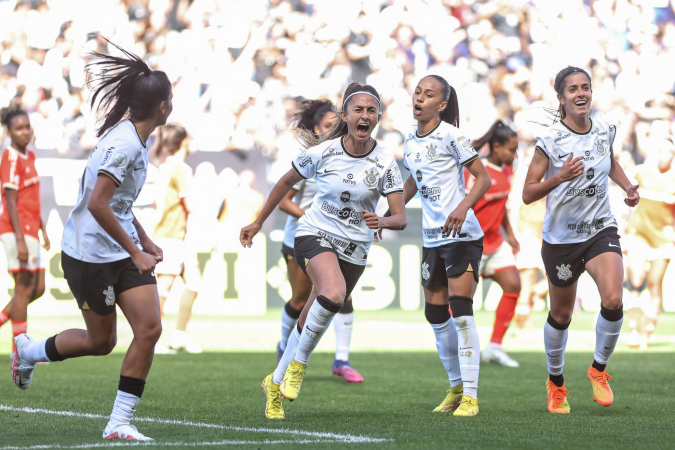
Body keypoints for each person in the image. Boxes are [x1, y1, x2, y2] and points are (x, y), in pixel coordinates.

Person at [11, 39, 173, 441]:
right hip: (89, 255)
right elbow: (98, 204)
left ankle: (118, 424)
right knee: (102, 342)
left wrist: (145, 241)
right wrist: (137, 251)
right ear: (163, 106)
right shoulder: (124, 144)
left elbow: (117, 204)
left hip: (120, 250)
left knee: (149, 328)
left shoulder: (135, 137)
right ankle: (28, 351)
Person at [241, 82, 406, 419]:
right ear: (344, 115)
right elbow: (284, 183)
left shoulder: (386, 159)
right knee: (332, 294)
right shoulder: (324, 152)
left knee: (318, 309)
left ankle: (273, 383)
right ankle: (299, 366)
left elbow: (400, 216)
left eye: (370, 110)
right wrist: (258, 222)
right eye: (357, 109)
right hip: (314, 232)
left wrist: (383, 222)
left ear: (378, 117)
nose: (364, 115)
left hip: (356, 246)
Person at [522, 66, 640, 414]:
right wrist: (558, 177)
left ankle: (598, 370)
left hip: (600, 228)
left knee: (614, 298)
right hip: (561, 240)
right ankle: (556, 384)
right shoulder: (550, 140)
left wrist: (627, 186)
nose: (580, 93)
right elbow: (528, 193)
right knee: (560, 314)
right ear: (561, 98)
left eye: (585, 87)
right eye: (572, 89)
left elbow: (610, 162)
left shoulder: (605, 128)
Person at [384, 75, 491, 417]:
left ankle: (472, 397)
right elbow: (415, 179)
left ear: (442, 105)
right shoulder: (411, 140)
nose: (419, 98)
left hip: (462, 235)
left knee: (461, 313)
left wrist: (462, 207)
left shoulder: (452, 135)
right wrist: (390, 212)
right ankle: (456, 388)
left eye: (428, 94)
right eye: (417, 92)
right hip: (431, 236)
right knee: (434, 314)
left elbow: (483, 177)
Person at [278, 99, 363, 383]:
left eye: (335, 125)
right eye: (328, 126)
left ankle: (342, 359)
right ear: (315, 129)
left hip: (338, 238)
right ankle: (284, 349)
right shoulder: (310, 157)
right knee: (301, 298)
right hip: (301, 237)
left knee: (342, 295)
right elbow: (284, 201)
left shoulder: (349, 156)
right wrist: (313, 216)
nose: (334, 130)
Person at [466, 120, 521, 367]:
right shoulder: (476, 172)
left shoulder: (508, 169)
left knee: (513, 285)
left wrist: (509, 233)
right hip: (471, 244)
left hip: (495, 241)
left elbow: (502, 206)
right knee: (461, 299)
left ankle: (494, 347)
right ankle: (459, 348)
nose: (515, 154)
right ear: (496, 147)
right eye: (511, 149)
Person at [0, 106, 50, 359]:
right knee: (22, 289)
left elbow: (28, 198)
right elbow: (10, 201)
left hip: (31, 228)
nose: (24, 132)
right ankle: (18, 352)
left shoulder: (29, 156)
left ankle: (4, 320)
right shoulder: (9, 156)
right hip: (15, 229)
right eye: (18, 128)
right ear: (9, 132)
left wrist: (42, 227)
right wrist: (20, 239)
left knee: (38, 288)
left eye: (27, 126)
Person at [153, 124, 203, 354]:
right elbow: (190, 203)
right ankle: (151, 339)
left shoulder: (165, 166)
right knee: (164, 285)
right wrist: (211, 227)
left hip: (174, 234)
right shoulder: (179, 168)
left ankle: (179, 335)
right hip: (169, 234)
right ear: (183, 142)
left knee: (193, 280)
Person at [624, 139, 675, 349]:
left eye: (668, 152)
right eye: (660, 151)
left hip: (663, 237)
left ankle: (648, 329)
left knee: (655, 282)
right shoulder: (640, 173)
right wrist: (624, 227)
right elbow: (626, 199)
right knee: (636, 276)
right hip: (639, 233)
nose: (663, 155)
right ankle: (634, 327)